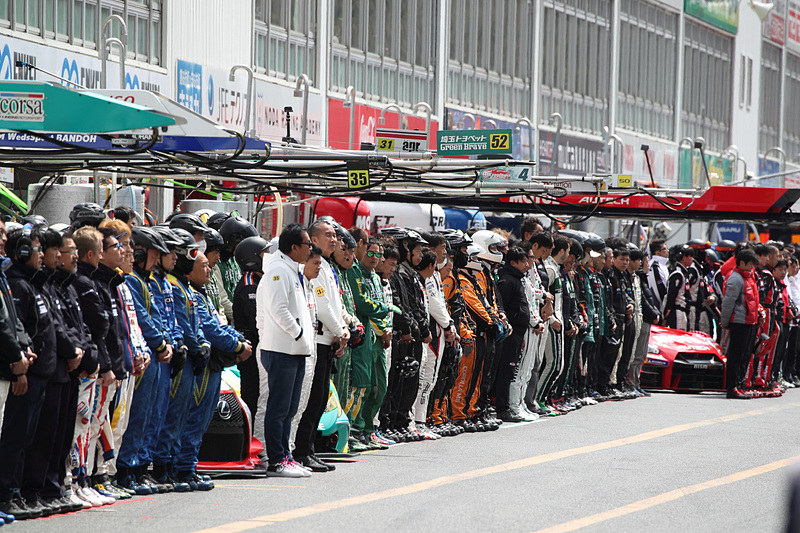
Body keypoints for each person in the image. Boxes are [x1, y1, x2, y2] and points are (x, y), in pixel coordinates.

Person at [179, 247, 251, 488]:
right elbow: (211, 330)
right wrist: (238, 346)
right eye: (203, 266)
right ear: (189, 272)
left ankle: (188, 467)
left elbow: (219, 323)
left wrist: (240, 341)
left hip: (214, 365)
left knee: (202, 418)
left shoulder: (203, 295)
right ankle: (181, 469)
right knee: (194, 418)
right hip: (202, 365)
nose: (209, 269)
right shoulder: (190, 294)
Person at [256, 223, 315, 478]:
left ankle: (286, 456)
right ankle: (277, 459)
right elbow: (279, 310)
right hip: (281, 350)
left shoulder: (292, 269)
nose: (311, 249)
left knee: (290, 408)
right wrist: (299, 333)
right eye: (307, 245)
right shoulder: (278, 270)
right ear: (293, 247)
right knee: (278, 408)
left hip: (295, 350)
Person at [294, 220, 349, 473]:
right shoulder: (312, 265)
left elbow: (336, 304)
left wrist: (344, 330)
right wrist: (340, 331)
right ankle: (301, 451)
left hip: (330, 339)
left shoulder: (327, 266)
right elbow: (323, 306)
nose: (334, 239)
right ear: (313, 240)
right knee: (311, 400)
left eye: (335, 235)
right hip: (317, 340)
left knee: (319, 401)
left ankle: (309, 451)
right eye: (328, 235)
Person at [346, 238, 391, 446]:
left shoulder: (374, 276)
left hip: (378, 338)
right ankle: (354, 431)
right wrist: (384, 310)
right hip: (363, 339)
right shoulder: (355, 271)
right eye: (370, 253)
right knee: (362, 387)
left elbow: (382, 305)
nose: (374, 258)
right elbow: (364, 304)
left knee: (380, 388)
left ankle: (367, 429)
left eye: (378, 254)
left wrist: (387, 328)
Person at [232, 236, 269, 422]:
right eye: (265, 255)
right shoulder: (248, 284)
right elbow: (256, 321)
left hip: (261, 346)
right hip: (252, 347)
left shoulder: (260, 279)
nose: (269, 258)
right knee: (252, 394)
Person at [494, 246, 531, 422]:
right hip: (510, 333)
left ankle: (506, 405)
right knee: (505, 371)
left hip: (518, 332)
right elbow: (502, 306)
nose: (527, 265)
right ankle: (502, 408)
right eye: (523, 261)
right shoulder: (507, 280)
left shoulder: (517, 279)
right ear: (513, 262)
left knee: (511, 370)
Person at [720, 248, 760, 399]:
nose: (751, 267)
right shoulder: (735, 278)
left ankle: (740, 384)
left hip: (750, 322)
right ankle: (732, 387)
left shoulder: (749, 277)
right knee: (736, 355)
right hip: (739, 322)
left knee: (744, 355)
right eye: (749, 264)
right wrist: (725, 322)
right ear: (741, 262)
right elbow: (728, 303)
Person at [647, 239, 669, 305]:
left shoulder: (662, 265)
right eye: (665, 249)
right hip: (658, 305)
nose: (668, 251)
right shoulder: (655, 266)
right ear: (657, 252)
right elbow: (659, 289)